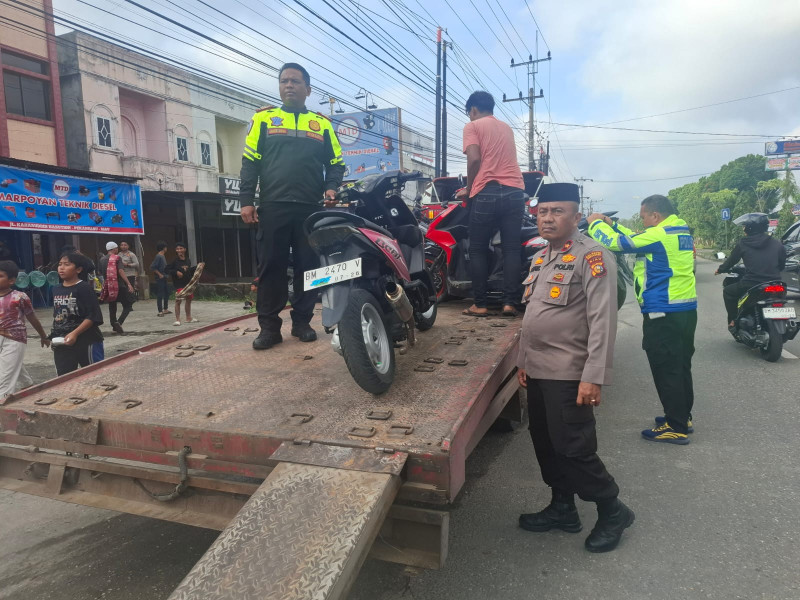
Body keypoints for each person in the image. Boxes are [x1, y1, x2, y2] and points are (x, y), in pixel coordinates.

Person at [516, 182, 633, 553]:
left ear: (576, 216)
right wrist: (523, 362)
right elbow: (533, 315)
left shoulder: (593, 256)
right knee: (545, 443)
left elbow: (603, 320)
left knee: (574, 448)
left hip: (569, 372)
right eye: (542, 212)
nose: (547, 218)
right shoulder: (542, 256)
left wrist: (594, 376)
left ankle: (613, 510)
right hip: (538, 369)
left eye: (557, 211)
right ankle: (563, 508)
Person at [239, 62, 346, 350]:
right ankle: (269, 328)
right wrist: (247, 200)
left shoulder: (322, 124)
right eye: (284, 81)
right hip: (273, 205)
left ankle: (302, 323)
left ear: (307, 90)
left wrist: (331, 187)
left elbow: (336, 163)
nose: (289, 85)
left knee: (308, 268)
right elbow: (250, 162)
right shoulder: (263, 120)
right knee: (270, 267)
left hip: (311, 208)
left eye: (296, 81)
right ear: (279, 87)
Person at [587, 195, 697, 445]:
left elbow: (617, 243)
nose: (643, 222)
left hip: (663, 312)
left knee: (665, 368)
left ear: (655, 216)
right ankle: (682, 416)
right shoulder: (677, 230)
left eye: (644, 217)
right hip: (685, 311)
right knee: (680, 366)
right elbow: (635, 237)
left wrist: (595, 224)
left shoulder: (658, 235)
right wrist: (611, 221)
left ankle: (676, 427)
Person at [457, 91, 526, 318]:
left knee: (477, 248)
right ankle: (509, 303)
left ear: (473, 110)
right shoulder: (506, 128)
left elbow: (475, 159)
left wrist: (469, 189)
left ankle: (481, 303)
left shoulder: (473, 126)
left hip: (487, 190)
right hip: (515, 190)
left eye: (469, 113)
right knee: (511, 248)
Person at [715, 213, 786, 326]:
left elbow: (732, 260)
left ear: (750, 227)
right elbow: (782, 265)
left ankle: (733, 320)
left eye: (745, 226)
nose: (744, 228)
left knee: (728, 291)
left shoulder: (743, 243)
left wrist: (720, 269)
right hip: (776, 282)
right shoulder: (777, 243)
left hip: (752, 283)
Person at [0, 260, 50, 399]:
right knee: (12, 368)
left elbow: (32, 318)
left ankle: (4, 406)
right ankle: (29, 389)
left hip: (14, 339)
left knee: (4, 379)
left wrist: (43, 335)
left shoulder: (20, 297)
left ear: (11, 280)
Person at [50, 253, 104, 375]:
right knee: (64, 378)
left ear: (78, 269)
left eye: (67, 265)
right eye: (60, 264)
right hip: (62, 342)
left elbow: (93, 316)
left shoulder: (84, 288)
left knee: (95, 375)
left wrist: (75, 333)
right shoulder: (56, 289)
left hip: (87, 341)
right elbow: (59, 315)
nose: (61, 268)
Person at [99, 242, 134, 334]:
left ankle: (114, 324)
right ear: (114, 249)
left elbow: (100, 273)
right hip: (119, 285)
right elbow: (121, 271)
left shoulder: (102, 259)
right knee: (128, 305)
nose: (117, 249)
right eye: (117, 248)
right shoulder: (117, 258)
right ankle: (119, 322)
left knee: (112, 306)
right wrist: (128, 283)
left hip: (108, 286)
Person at [167, 242, 197, 326]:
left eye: (181, 248)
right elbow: (167, 269)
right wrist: (176, 272)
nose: (179, 250)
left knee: (189, 300)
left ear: (185, 249)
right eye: (177, 249)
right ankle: (177, 320)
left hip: (188, 283)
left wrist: (197, 268)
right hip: (179, 284)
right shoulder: (174, 260)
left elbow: (188, 271)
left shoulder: (188, 260)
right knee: (178, 300)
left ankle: (188, 318)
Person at [150, 241, 171, 317]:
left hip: (165, 277)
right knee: (160, 294)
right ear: (164, 248)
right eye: (166, 247)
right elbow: (152, 267)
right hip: (160, 278)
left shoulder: (163, 256)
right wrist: (159, 274)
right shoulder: (158, 256)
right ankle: (160, 311)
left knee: (167, 292)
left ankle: (165, 308)